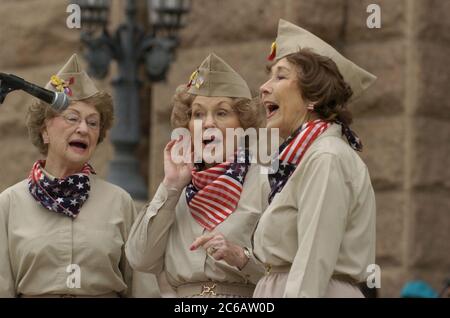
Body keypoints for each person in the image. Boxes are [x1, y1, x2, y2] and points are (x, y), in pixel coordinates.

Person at [0, 54, 154, 297]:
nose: (83, 129)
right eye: (72, 118)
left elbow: (142, 288)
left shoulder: (120, 203)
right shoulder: (9, 204)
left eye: (93, 123)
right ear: (45, 132)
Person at [125, 53, 269, 298]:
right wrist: (170, 186)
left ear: (243, 125)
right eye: (198, 114)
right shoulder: (179, 188)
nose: (208, 123)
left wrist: (242, 258)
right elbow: (140, 259)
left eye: (222, 113)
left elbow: (289, 269)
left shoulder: (265, 181)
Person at [252, 19, 377, 298]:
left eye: (280, 76)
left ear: (314, 97)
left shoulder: (326, 157)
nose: (263, 87)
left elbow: (313, 262)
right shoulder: (299, 158)